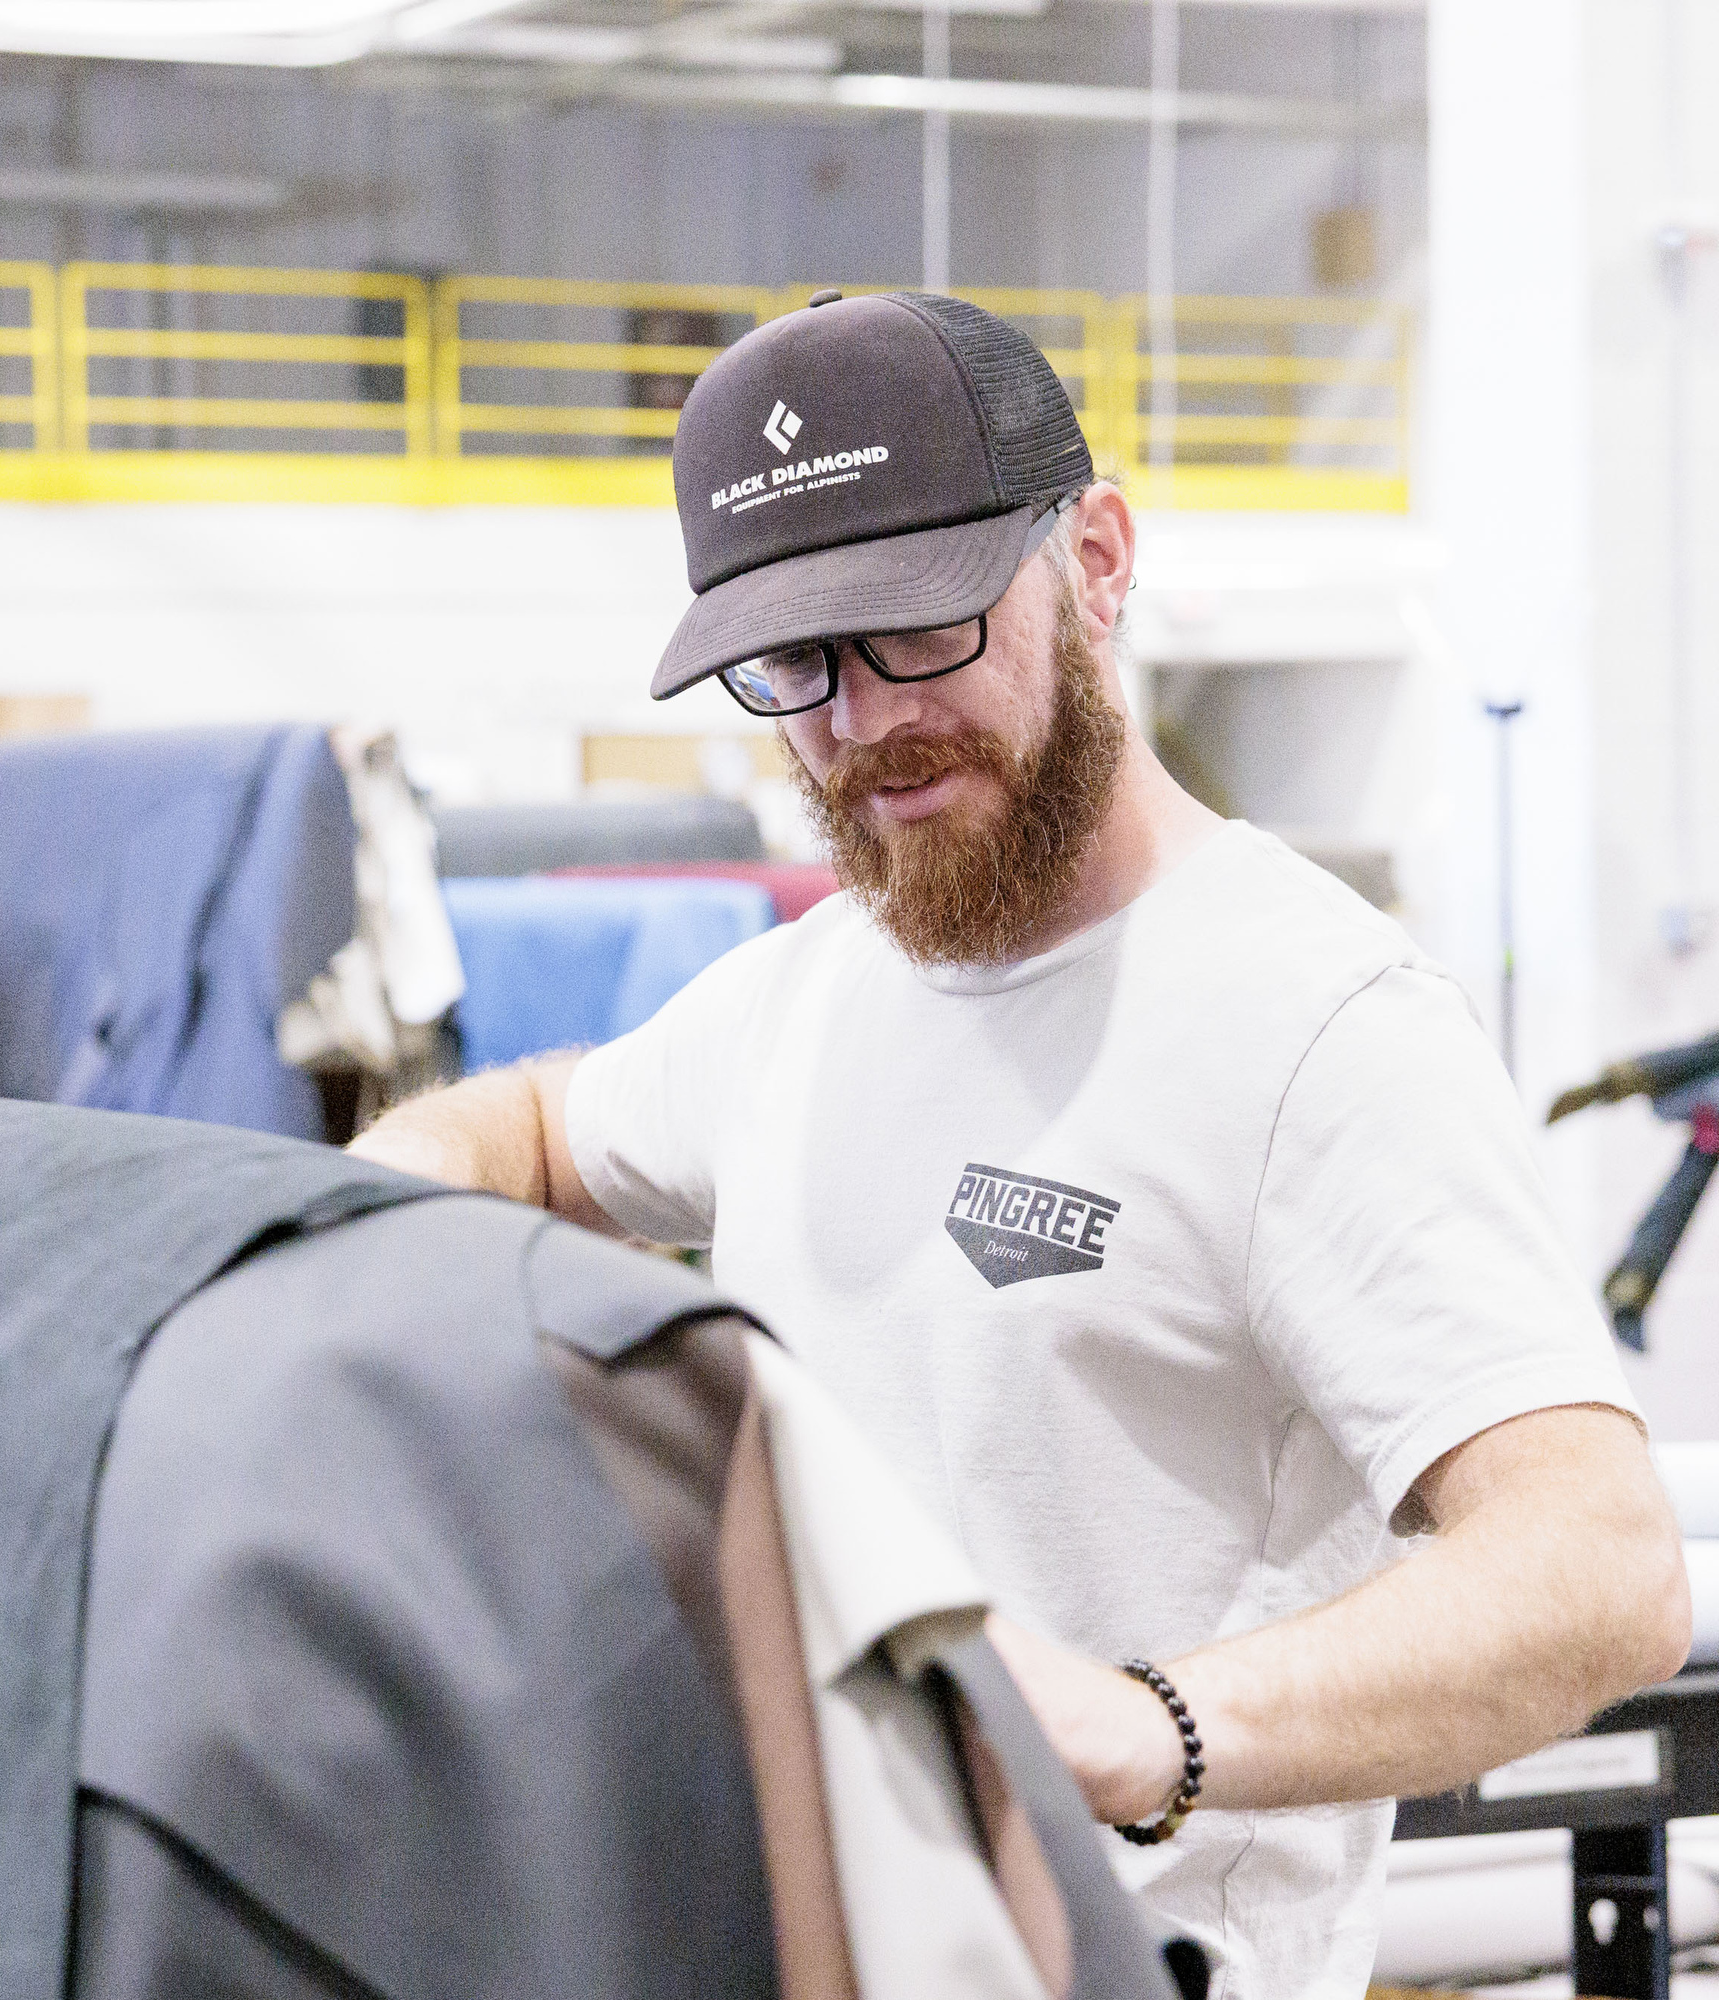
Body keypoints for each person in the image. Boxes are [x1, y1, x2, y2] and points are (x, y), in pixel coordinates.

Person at [349, 289, 1690, 1998]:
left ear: (1098, 561)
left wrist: (1144, 1728)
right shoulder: (813, 988)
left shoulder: (1319, 1028)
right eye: (796, 666)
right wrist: (370, 1222)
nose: (859, 723)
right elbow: (539, 1126)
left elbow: (1597, 1568)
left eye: (918, 627)